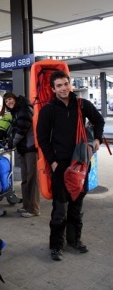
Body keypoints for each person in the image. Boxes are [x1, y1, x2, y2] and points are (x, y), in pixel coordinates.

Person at [36, 70, 105, 261]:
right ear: (53, 89)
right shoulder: (48, 110)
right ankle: (56, 245)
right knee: (60, 207)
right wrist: (53, 161)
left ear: (70, 84)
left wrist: (97, 139)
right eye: (59, 85)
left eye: (65, 84)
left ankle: (74, 240)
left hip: (81, 162)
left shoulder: (82, 105)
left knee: (77, 204)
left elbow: (98, 120)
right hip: (61, 165)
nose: (63, 88)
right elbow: (42, 138)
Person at [1, 92, 40, 218]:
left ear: (15, 98)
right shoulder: (16, 111)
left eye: (10, 99)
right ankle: (26, 206)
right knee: (25, 178)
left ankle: (33, 209)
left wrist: (11, 144)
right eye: (6, 101)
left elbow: (22, 129)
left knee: (31, 179)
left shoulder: (24, 109)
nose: (9, 102)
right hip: (24, 148)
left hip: (30, 147)